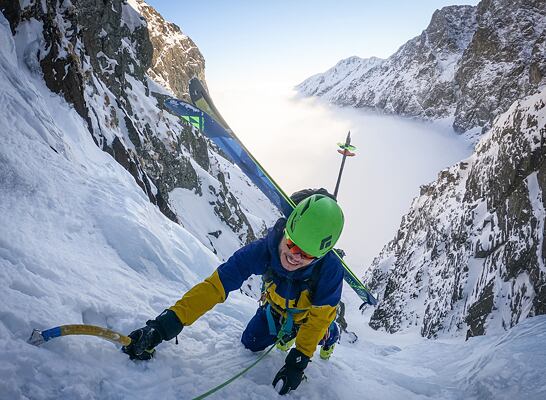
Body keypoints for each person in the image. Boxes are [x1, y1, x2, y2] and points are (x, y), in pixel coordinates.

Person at [122, 193, 345, 395]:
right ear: (286, 230)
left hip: (308, 318)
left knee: (322, 328)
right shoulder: (261, 252)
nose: (296, 257)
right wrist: (163, 326)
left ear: (320, 257)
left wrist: (298, 361)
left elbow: (317, 319)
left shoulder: (330, 270)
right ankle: (286, 334)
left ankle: (331, 334)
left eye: (306, 256)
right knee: (251, 342)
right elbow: (214, 287)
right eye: (292, 245)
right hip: (275, 310)